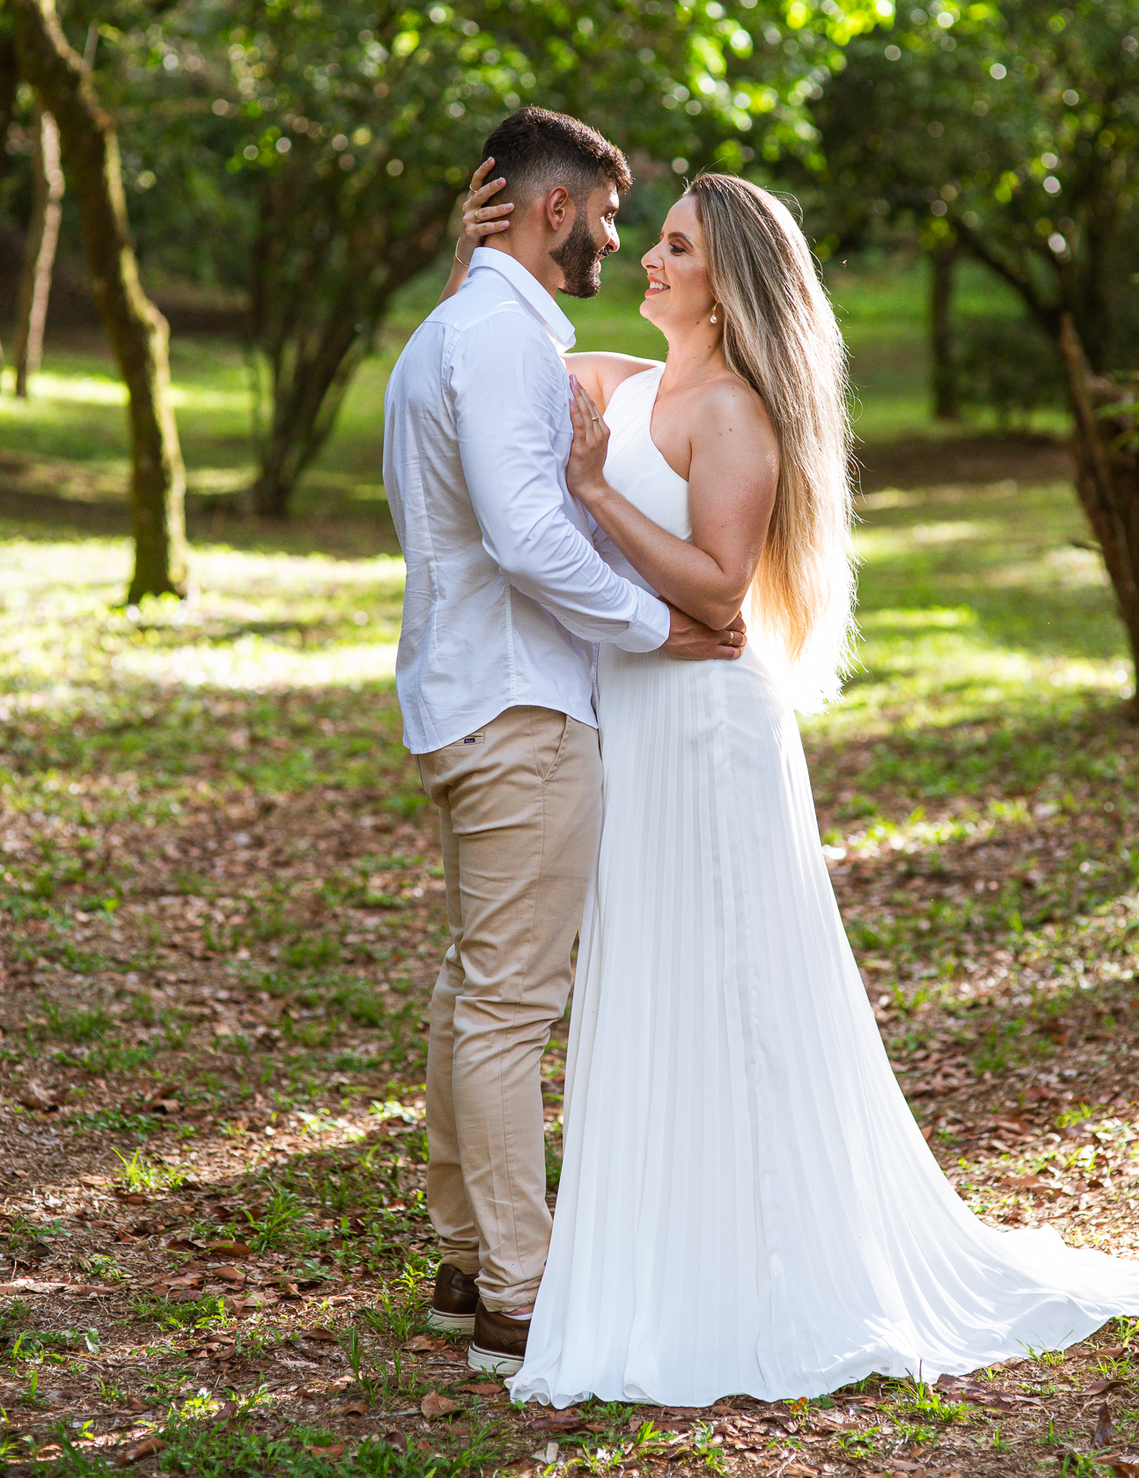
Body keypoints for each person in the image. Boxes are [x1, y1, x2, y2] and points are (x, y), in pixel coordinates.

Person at [454, 162, 1139, 1408]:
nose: (649, 259)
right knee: (655, 979)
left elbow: (722, 589)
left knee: (731, 984)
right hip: (640, 715)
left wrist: (583, 493)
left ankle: (760, 1263)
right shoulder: (630, 386)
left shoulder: (729, 410)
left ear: (724, 285)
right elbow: (503, 345)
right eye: (657, 241)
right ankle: (665, 1244)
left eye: (673, 246)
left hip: (703, 725)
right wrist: (484, 251)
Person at [381, 108, 744, 1379]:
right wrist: (659, 628)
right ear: (551, 212)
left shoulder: (471, 325)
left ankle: (464, 1259)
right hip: (520, 708)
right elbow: (531, 537)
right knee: (504, 1006)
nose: (616, 234)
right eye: (603, 209)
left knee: (472, 991)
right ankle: (516, 1297)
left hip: (472, 694)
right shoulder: (494, 336)